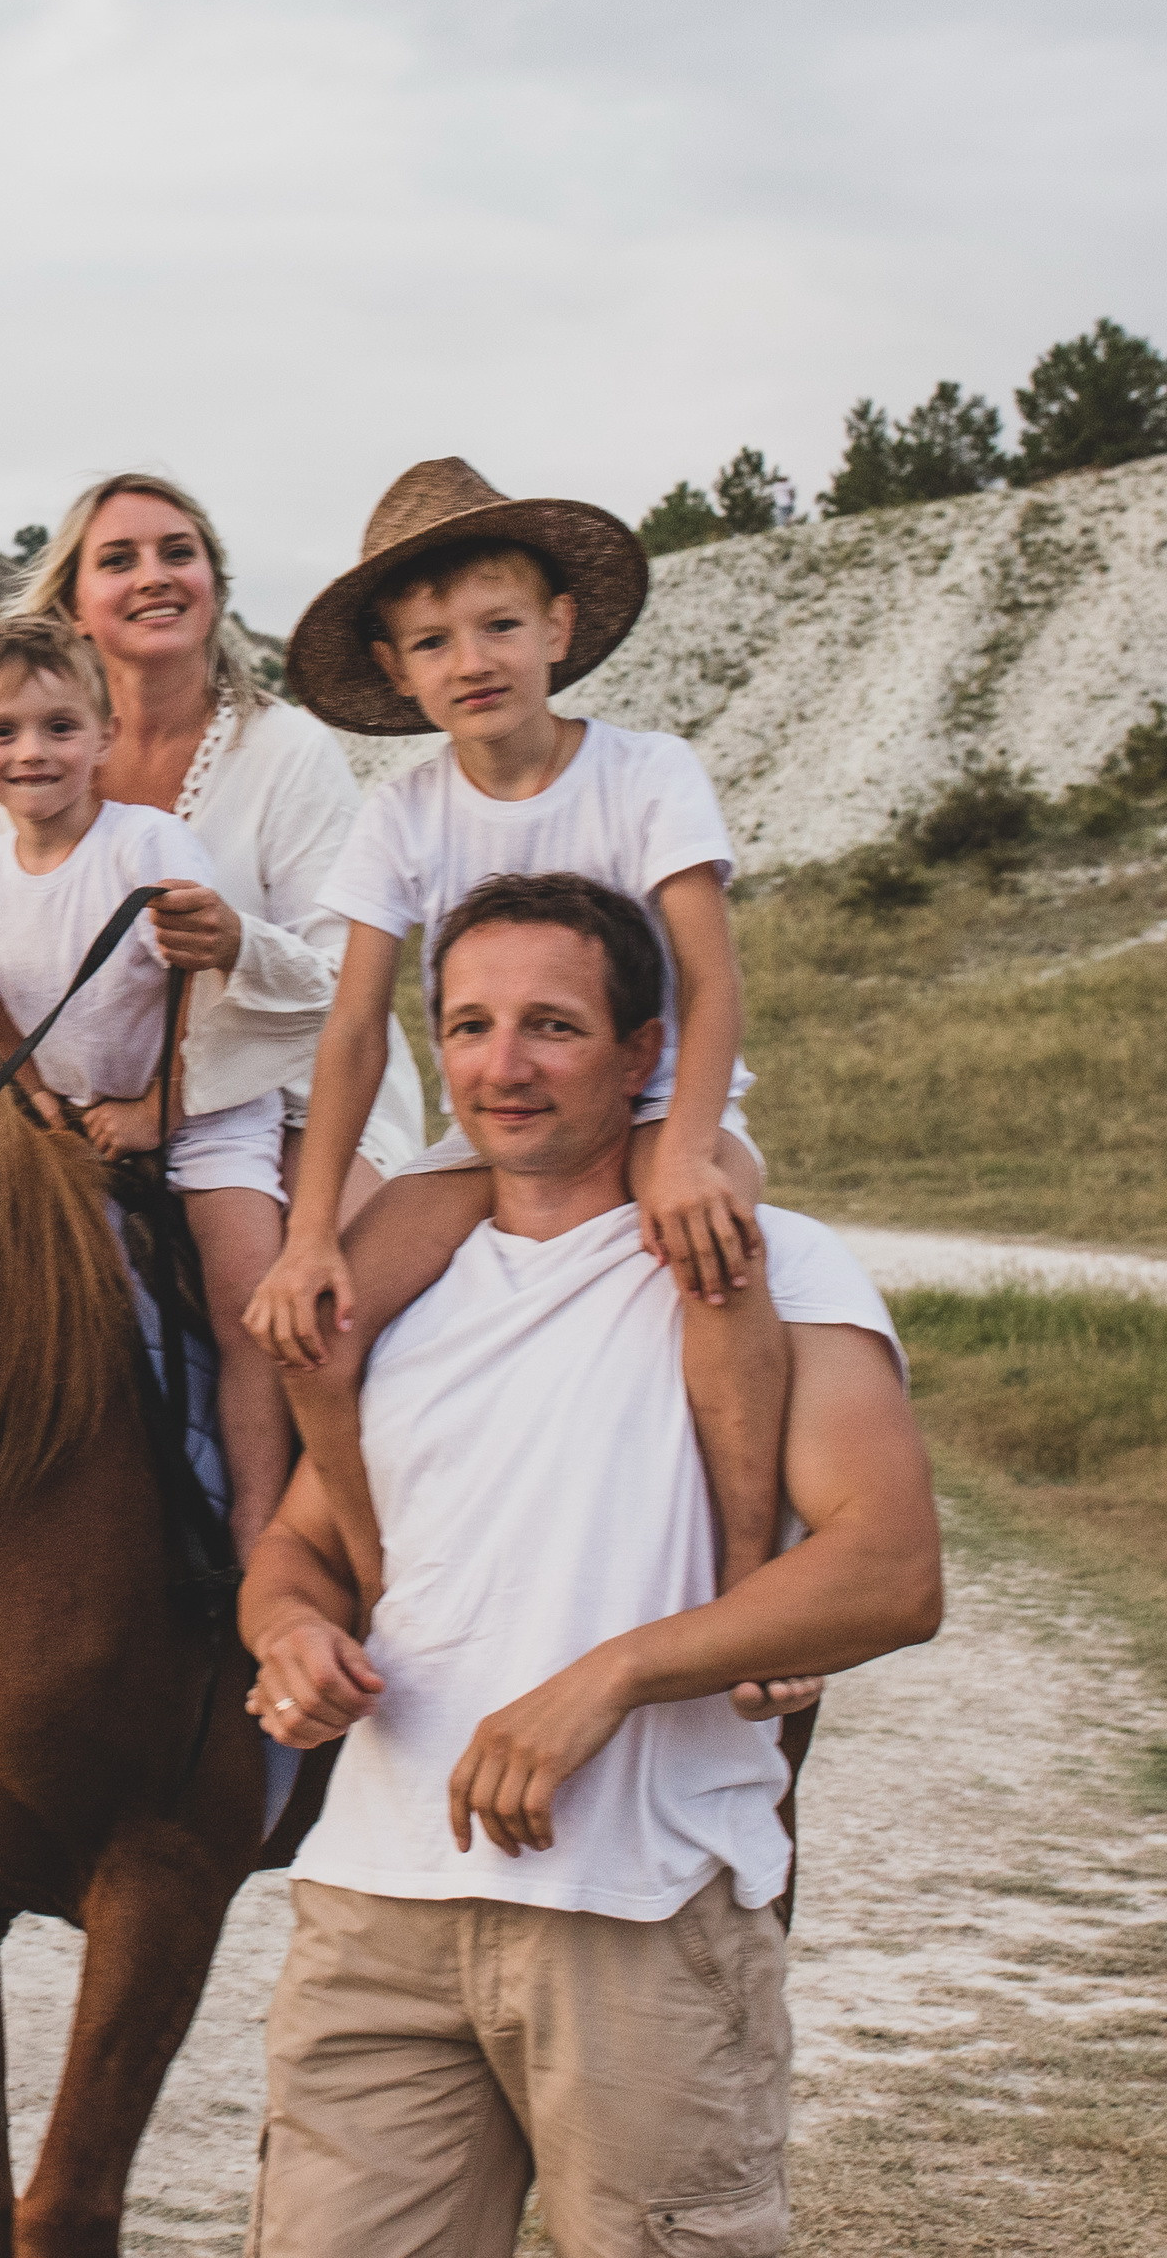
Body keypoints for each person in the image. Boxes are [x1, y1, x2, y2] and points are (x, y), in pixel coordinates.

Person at [240, 873, 942, 2258]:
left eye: (552, 1026)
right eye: (471, 1025)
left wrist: (607, 1679)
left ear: (644, 1055)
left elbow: (892, 1570)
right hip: (379, 1910)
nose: (502, 1066)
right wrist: (289, 1640)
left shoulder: (779, 1270)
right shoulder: (410, 1299)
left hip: (642, 1916)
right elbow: (301, 1551)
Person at [245, 457, 784, 1609]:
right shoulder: (403, 809)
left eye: (497, 625)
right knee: (316, 1332)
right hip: (496, 1128)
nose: (471, 661)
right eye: (432, 642)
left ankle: (745, 1560)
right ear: (394, 668)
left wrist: (687, 1149)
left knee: (714, 1258)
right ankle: (382, 1577)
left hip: (651, 1105)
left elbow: (708, 974)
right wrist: (309, 1235)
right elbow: (352, 1029)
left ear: (557, 626)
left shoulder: (645, 773)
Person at [0, 471, 424, 1547]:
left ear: (212, 580)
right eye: (117, 559)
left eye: (177, 551)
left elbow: (345, 980)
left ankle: (335, 1550)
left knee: (301, 1303)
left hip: (300, 1091)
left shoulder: (285, 750)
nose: (153, 576)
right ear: (73, 602)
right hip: (89, 1104)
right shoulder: (31, 747)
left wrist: (231, 955)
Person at [0, 612, 292, 1552]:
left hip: (205, 1115)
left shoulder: (147, 848)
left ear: (104, 737)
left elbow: (204, 996)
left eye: (59, 728)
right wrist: (34, 1093)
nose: (33, 753)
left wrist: (157, 1112)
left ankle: (257, 1522)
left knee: (246, 1301)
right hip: (84, 1126)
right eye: (3, 732)